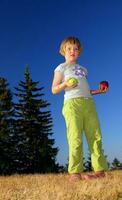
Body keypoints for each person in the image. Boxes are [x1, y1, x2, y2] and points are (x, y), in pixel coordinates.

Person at [51, 36, 108, 182]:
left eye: (76, 49)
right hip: (72, 104)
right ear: (63, 51)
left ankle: (100, 171)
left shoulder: (83, 69)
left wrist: (99, 91)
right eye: (69, 48)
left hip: (89, 103)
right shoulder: (61, 68)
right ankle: (75, 172)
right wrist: (65, 85)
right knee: (75, 137)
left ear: (79, 52)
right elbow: (54, 89)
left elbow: (86, 90)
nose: (72, 51)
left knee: (95, 136)